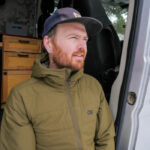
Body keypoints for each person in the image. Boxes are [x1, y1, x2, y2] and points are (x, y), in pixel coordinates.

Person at [0, 7, 115, 150]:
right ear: (49, 44)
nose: (82, 47)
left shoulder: (93, 86)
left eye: (85, 39)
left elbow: (105, 138)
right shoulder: (22, 96)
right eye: (73, 37)